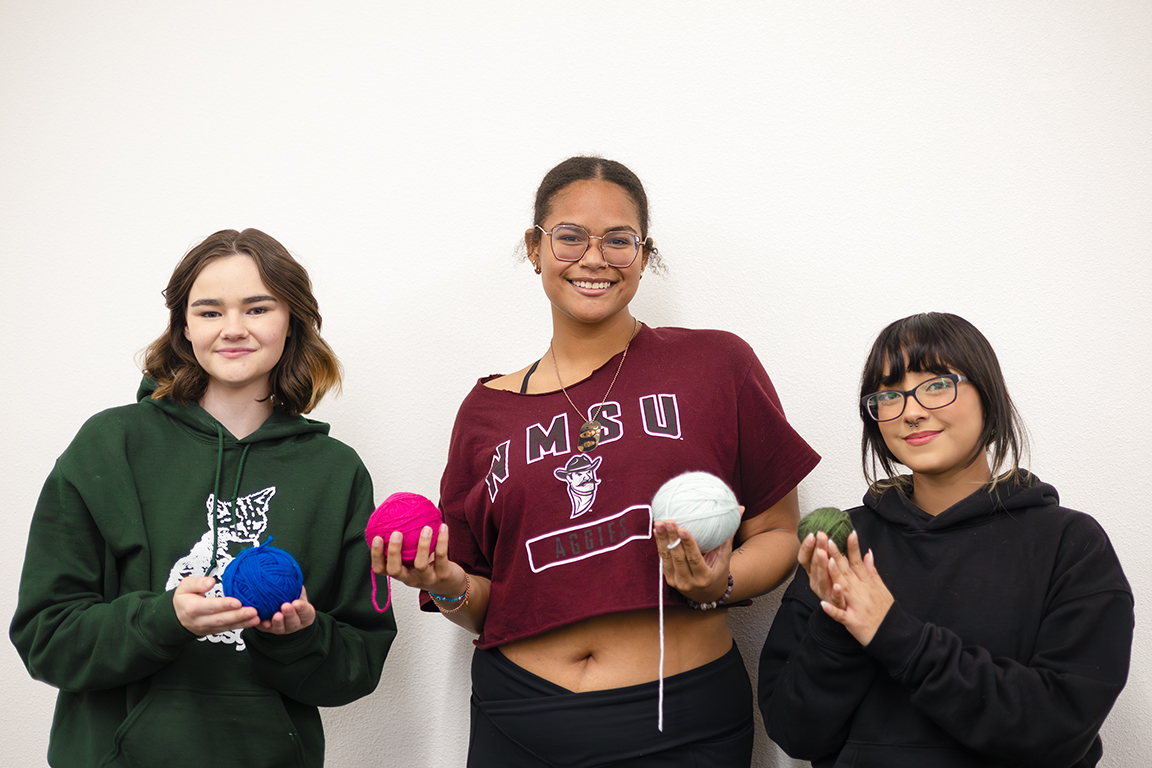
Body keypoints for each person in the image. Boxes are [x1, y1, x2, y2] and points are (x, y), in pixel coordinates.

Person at [373, 156, 819, 766]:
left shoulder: (716, 365)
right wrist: (446, 586)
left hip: (680, 714)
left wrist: (722, 581)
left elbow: (777, 532)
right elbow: (483, 601)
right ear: (535, 248)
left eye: (619, 239)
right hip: (517, 716)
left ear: (643, 253)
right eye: (570, 236)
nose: (594, 257)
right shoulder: (484, 413)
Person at [11, 229, 397, 767]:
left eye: (258, 308)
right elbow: (46, 638)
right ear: (184, 327)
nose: (234, 329)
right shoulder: (109, 446)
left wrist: (299, 635)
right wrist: (166, 619)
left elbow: (359, 665)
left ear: (292, 321)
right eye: (210, 311)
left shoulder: (336, 472)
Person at [758, 312, 1133, 767]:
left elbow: (1059, 729)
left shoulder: (1070, 544)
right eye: (889, 395)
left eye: (937, 385)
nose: (912, 412)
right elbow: (794, 731)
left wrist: (892, 632)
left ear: (988, 394)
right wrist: (838, 622)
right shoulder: (845, 544)